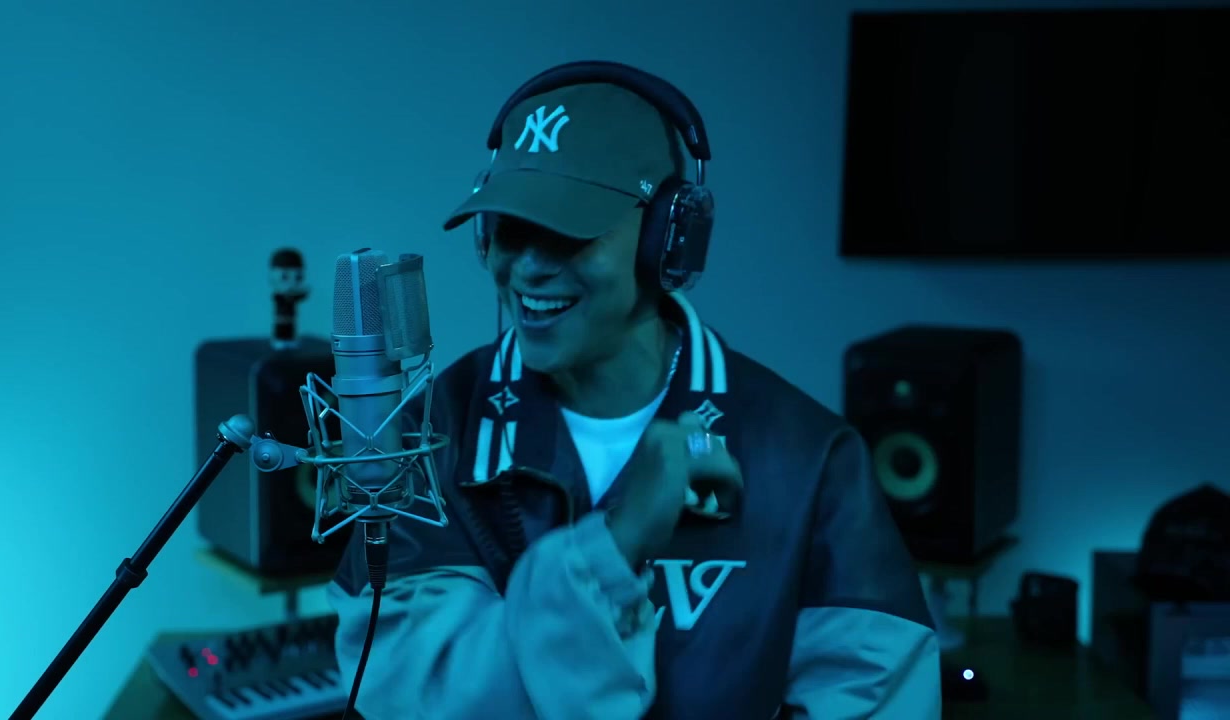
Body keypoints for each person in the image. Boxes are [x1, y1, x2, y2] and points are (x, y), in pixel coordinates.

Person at [326, 62, 941, 719]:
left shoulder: (810, 459)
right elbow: (424, 697)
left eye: (568, 232)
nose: (528, 267)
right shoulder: (429, 437)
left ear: (668, 240)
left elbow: (875, 697)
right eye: (509, 227)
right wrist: (615, 547)